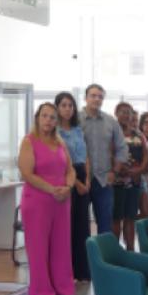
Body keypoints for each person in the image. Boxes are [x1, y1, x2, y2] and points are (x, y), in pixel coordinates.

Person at [19, 103, 76, 295]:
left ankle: (62, 285)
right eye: (44, 116)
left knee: (61, 245)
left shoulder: (60, 142)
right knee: (38, 247)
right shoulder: (29, 141)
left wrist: (68, 187)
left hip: (61, 201)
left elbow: (70, 169)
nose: (48, 120)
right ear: (37, 118)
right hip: (37, 201)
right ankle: (41, 290)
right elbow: (27, 173)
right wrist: (52, 190)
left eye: (52, 117)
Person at [80, 83, 128, 235]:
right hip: (81, 180)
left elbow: (122, 147)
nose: (97, 99)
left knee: (105, 225)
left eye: (100, 97)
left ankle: (102, 251)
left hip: (104, 180)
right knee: (80, 224)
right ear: (86, 98)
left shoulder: (110, 121)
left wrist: (115, 171)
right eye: (93, 96)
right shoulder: (75, 120)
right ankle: (84, 251)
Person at [56, 91, 91, 283]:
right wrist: (76, 183)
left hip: (82, 174)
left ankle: (82, 271)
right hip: (67, 177)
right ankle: (67, 272)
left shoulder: (78, 130)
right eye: (63, 105)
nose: (68, 109)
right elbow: (62, 163)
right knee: (67, 226)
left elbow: (86, 156)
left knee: (82, 226)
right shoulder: (55, 132)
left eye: (70, 105)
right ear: (57, 108)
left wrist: (87, 179)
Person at [112, 102, 147, 249]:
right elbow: (108, 153)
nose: (126, 115)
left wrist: (139, 170)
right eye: (123, 112)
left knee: (130, 217)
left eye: (129, 112)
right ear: (116, 113)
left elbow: (146, 155)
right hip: (116, 182)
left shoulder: (138, 134)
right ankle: (115, 252)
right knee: (116, 218)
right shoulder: (111, 132)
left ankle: (130, 250)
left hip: (135, 181)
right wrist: (120, 168)